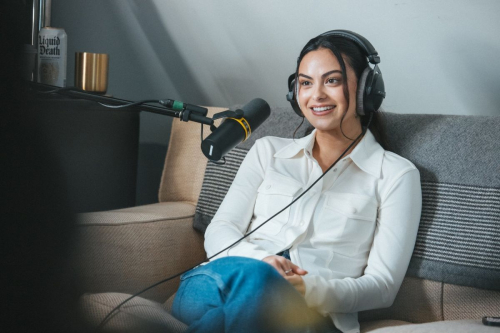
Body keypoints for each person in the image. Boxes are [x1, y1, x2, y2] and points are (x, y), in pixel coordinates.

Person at [172, 30, 422, 333]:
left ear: (366, 90)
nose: (316, 95)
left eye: (332, 80)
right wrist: (263, 261)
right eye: (305, 83)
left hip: (308, 313)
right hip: (220, 280)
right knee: (256, 283)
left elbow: (383, 286)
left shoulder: (396, 175)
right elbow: (220, 231)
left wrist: (308, 289)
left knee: (249, 309)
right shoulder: (268, 151)